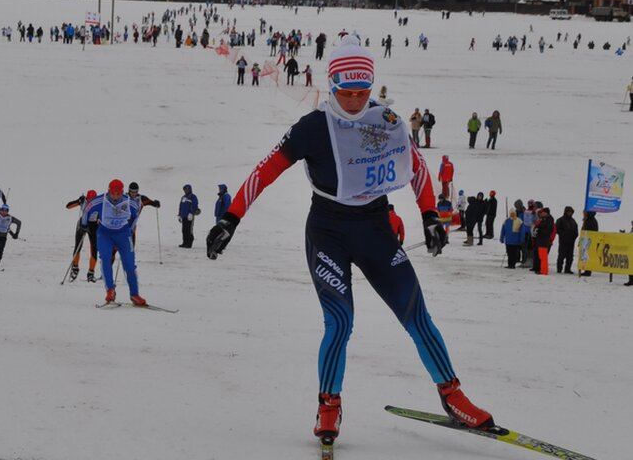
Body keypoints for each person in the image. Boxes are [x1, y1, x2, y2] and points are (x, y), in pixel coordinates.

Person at [205, 35, 493, 444]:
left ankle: (452, 395)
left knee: (416, 313)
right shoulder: (312, 128)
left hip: (375, 229)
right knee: (340, 322)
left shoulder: (385, 120)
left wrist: (430, 215)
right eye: (346, 92)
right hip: (328, 233)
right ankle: (329, 404)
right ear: (332, 85)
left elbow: (418, 168)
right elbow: (265, 170)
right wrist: (230, 219)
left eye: (363, 92)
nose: (356, 101)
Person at [83, 179, 146, 305]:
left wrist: (130, 228)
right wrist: (86, 224)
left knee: (129, 265)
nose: (116, 197)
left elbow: (135, 215)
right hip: (105, 233)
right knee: (105, 258)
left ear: (122, 192)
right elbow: (87, 209)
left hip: (123, 234)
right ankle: (110, 290)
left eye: (118, 194)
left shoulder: (130, 202)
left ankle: (135, 295)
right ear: (109, 191)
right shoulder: (100, 201)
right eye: (113, 193)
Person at [127, 181, 161, 247]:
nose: (134, 194)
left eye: (135, 192)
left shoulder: (141, 199)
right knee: (116, 247)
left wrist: (156, 203)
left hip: (132, 227)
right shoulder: (124, 197)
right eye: (132, 192)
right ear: (129, 191)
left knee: (130, 248)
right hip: (120, 225)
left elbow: (152, 203)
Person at [555, 206, 578, 274]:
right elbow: (557, 229)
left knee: (570, 256)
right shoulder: (560, 220)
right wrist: (564, 235)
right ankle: (559, 269)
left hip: (571, 242)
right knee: (561, 256)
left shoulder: (573, 221)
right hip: (563, 241)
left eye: (571, 212)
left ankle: (567, 269)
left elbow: (576, 231)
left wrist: (574, 236)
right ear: (565, 212)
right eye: (568, 212)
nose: (570, 213)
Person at [534, 207, 555, 275]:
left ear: (546, 213)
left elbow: (549, 231)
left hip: (544, 240)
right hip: (540, 240)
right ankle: (541, 269)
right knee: (540, 256)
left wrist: (539, 230)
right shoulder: (544, 219)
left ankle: (544, 270)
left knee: (543, 257)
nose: (541, 213)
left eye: (542, 212)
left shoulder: (549, 220)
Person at [580, 211, 598, 276]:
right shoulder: (590, 220)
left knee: (587, 256)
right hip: (587, 241)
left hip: (589, 241)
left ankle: (588, 271)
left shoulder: (591, 221)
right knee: (586, 256)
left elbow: (589, 231)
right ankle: (586, 270)